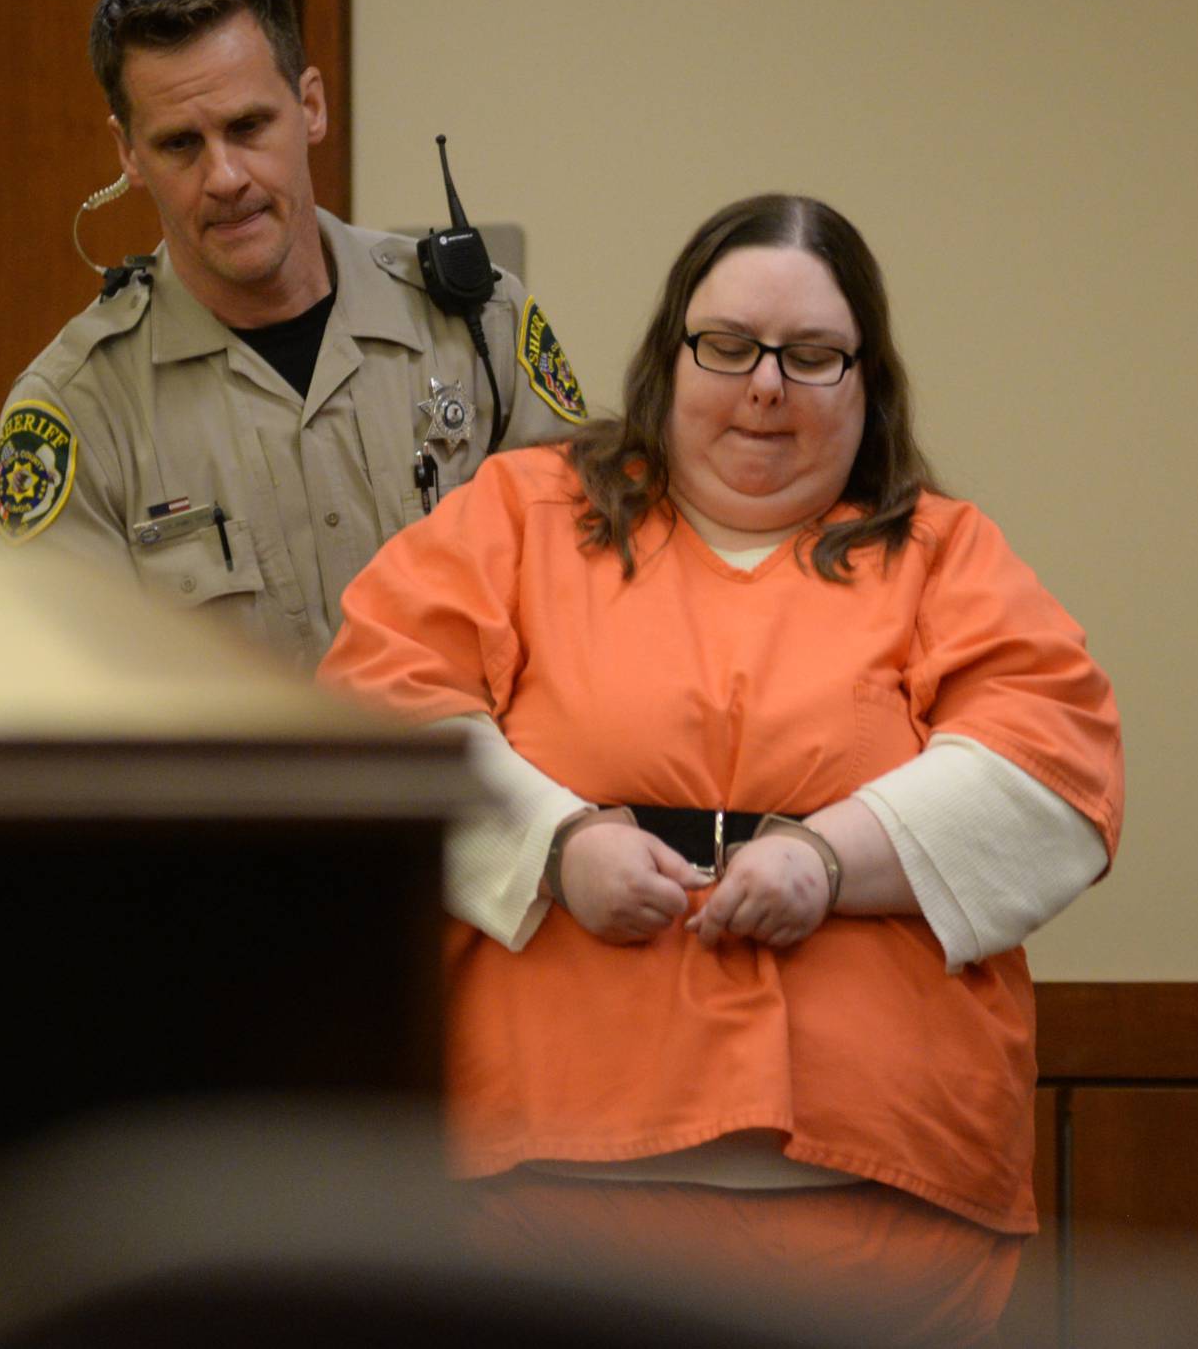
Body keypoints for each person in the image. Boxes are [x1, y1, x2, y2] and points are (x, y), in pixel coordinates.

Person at [317, 193, 1124, 1345]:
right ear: (669, 355)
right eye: (730, 346)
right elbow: (371, 707)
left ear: (868, 380)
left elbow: (1056, 769)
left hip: (879, 1225)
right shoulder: (521, 514)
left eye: (812, 357)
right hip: (542, 1209)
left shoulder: (944, 553)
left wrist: (826, 862)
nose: (765, 387)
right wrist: (557, 843)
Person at [0, 0, 585, 666]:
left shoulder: (478, 324)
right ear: (128, 153)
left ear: (311, 105)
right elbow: (25, 692)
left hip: (477, 773)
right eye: (179, 145)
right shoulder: (83, 409)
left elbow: (591, 590)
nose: (224, 176)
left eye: (249, 127)